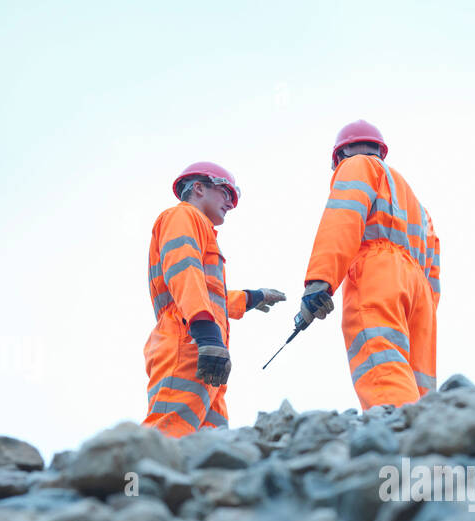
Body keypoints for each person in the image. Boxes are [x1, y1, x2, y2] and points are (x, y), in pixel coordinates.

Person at [299, 121, 440, 408]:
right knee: (418, 382)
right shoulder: (413, 199)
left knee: (382, 366)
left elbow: (343, 219)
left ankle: (395, 441)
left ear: (341, 154)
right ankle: (427, 444)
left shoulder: (358, 166)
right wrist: (424, 306)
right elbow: (434, 266)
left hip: (378, 273)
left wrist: (319, 282)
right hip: (419, 293)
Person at [143, 162, 284, 435]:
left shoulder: (199, 227)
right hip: (188, 339)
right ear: (198, 188)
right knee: (168, 430)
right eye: (226, 193)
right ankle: (131, 477)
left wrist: (251, 298)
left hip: (204, 343)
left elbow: (207, 292)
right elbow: (184, 271)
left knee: (210, 445)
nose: (231, 203)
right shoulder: (181, 216)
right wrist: (206, 332)